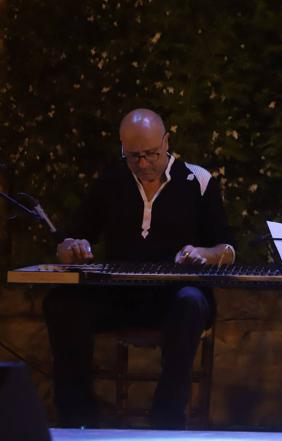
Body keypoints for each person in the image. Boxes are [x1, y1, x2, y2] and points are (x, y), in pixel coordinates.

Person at [43, 108, 235, 429]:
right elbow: (70, 239)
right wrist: (71, 248)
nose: (143, 164)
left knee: (191, 303)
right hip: (120, 295)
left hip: (175, 298)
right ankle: (77, 419)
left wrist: (201, 253)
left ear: (167, 141)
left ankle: (166, 420)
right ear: (122, 149)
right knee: (61, 304)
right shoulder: (112, 180)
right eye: (134, 157)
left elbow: (227, 250)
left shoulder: (198, 181)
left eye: (151, 154)